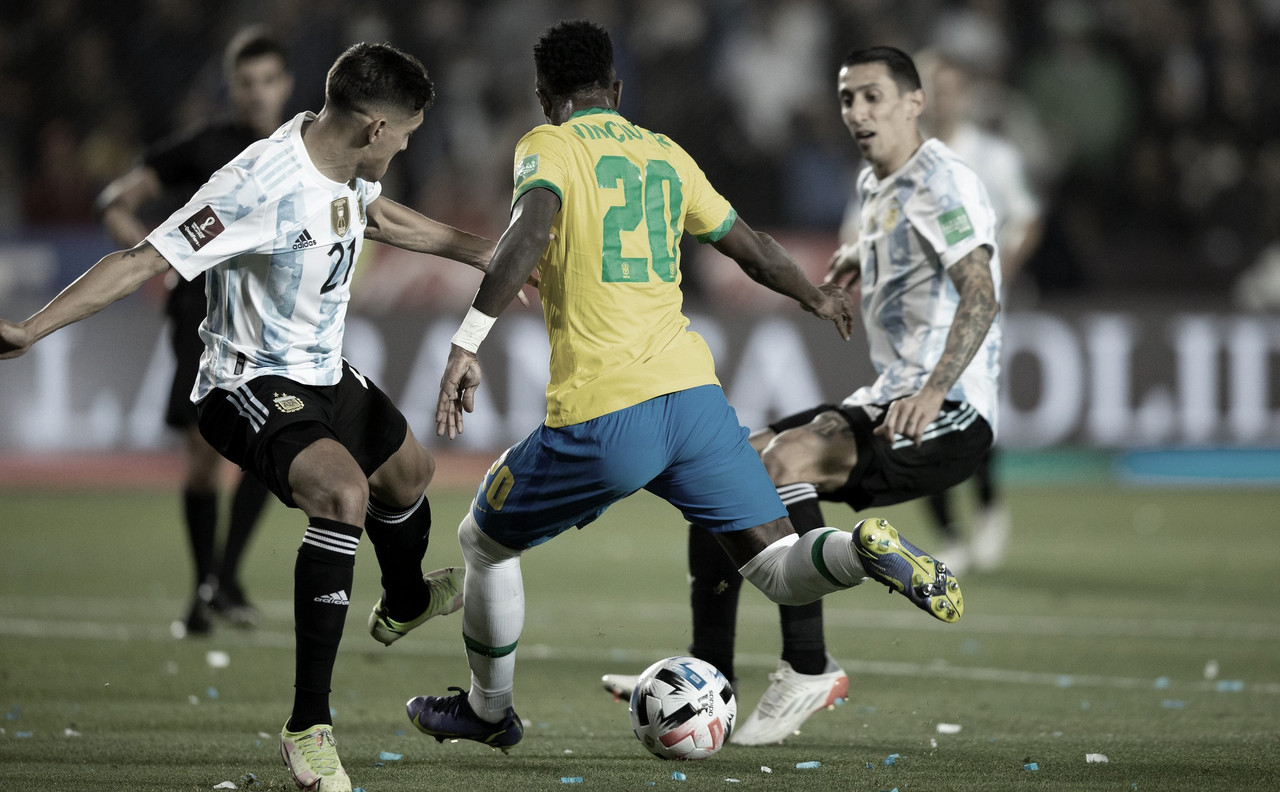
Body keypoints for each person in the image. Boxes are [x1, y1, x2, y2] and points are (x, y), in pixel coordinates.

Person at [402, 21, 963, 755]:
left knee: (482, 541)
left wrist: (466, 340)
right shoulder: (664, 154)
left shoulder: (548, 147)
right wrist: (816, 298)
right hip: (695, 402)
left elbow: (530, 232)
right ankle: (863, 548)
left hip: (605, 412)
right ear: (618, 90)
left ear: (546, 99)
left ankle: (488, 711)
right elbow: (753, 248)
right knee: (779, 569)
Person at [1, 42, 492, 792]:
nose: (405, 144)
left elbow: (374, 214)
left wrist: (482, 253)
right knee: (342, 496)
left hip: (322, 372)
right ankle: (307, 727)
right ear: (371, 127)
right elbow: (142, 258)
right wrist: (31, 330)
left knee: (410, 475)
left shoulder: (336, 156)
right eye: (404, 133)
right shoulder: (254, 183)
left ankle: (402, 601)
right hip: (247, 382)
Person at [601, 45, 1003, 747]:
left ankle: (809, 666)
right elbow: (890, 243)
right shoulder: (877, 182)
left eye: (874, 97)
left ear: (915, 102)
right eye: (849, 99)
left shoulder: (942, 180)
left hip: (947, 413)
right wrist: (854, 261)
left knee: (784, 461)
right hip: (889, 394)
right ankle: (709, 679)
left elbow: (981, 288)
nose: (858, 113)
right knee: (716, 474)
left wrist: (937, 389)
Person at [96, 27, 293, 635]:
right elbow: (116, 198)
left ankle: (223, 581)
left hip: (272, 315)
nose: (258, 94)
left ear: (285, 84)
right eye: (246, 82)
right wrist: (156, 255)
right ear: (232, 87)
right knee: (205, 456)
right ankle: (207, 584)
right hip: (202, 316)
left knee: (271, 451)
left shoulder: (302, 148)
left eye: (268, 81)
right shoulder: (206, 144)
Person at [914, 50, 1042, 574]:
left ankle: (987, 505)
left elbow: (1027, 219)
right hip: (917, 316)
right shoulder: (902, 156)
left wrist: (998, 273)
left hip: (976, 314)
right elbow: (861, 224)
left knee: (971, 417)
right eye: (934, 89)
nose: (944, 99)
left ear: (965, 96)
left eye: (951, 89)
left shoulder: (994, 156)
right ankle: (949, 535)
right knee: (917, 426)